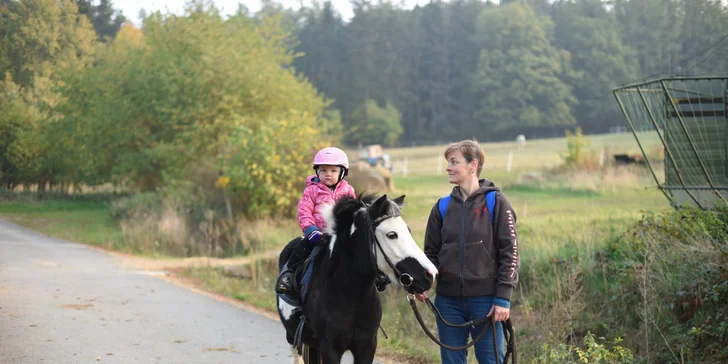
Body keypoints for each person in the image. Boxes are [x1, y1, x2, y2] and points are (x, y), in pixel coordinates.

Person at [417, 139, 520, 364]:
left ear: (473, 165)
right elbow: (430, 254)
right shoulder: (441, 207)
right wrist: (422, 284)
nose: (448, 167)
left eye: (454, 162)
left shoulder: (497, 202)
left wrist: (503, 298)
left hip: (486, 302)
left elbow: (510, 253)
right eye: (448, 162)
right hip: (448, 302)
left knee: (491, 361)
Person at [275, 147, 392, 296]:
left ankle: (378, 275)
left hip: (342, 235)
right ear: (317, 172)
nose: (328, 174)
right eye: (323, 170)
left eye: (333, 171)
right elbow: (304, 212)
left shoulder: (348, 190)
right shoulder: (311, 190)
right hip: (319, 235)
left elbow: (355, 212)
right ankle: (289, 276)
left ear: (342, 172)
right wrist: (311, 230)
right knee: (301, 247)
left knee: (365, 250)